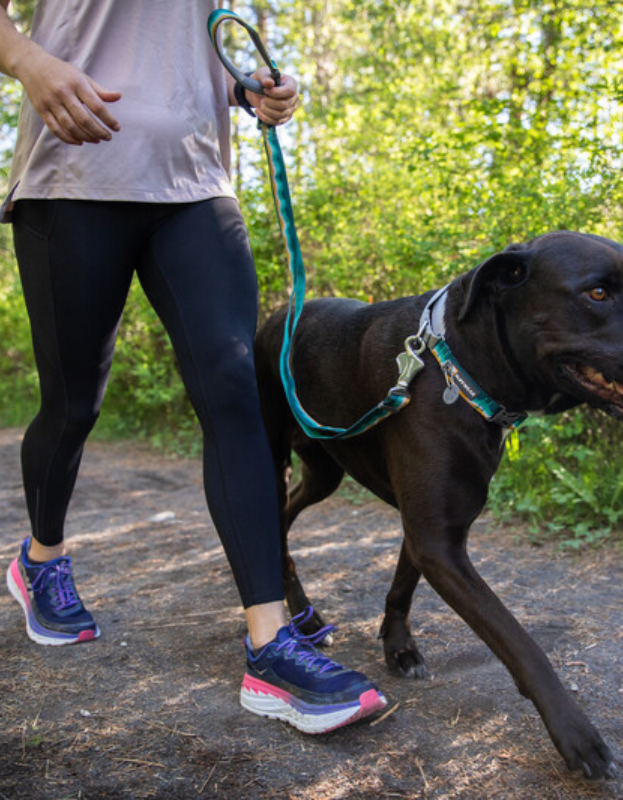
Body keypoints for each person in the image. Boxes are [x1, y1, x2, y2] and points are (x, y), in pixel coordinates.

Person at [0, 0, 386, 734]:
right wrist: (29, 61)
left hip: (195, 186)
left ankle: (271, 646)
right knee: (74, 405)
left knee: (237, 390)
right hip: (74, 174)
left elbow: (185, 51)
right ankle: (40, 558)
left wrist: (251, 91)